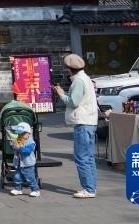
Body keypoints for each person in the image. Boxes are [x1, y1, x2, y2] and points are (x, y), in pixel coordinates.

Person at [53, 53, 98, 199]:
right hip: (90, 121)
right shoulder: (85, 78)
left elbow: (73, 102)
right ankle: (91, 187)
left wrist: (61, 94)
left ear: (69, 68)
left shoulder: (78, 81)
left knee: (81, 157)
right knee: (88, 157)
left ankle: (88, 189)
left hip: (83, 122)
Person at [8, 121, 40, 197]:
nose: (20, 135)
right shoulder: (18, 140)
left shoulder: (31, 142)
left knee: (30, 178)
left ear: (28, 133)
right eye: (19, 134)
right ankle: (18, 189)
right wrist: (12, 145)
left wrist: (19, 148)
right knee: (17, 177)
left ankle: (35, 190)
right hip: (19, 163)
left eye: (22, 134)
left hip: (27, 164)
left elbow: (27, 151)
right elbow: (14, 149)